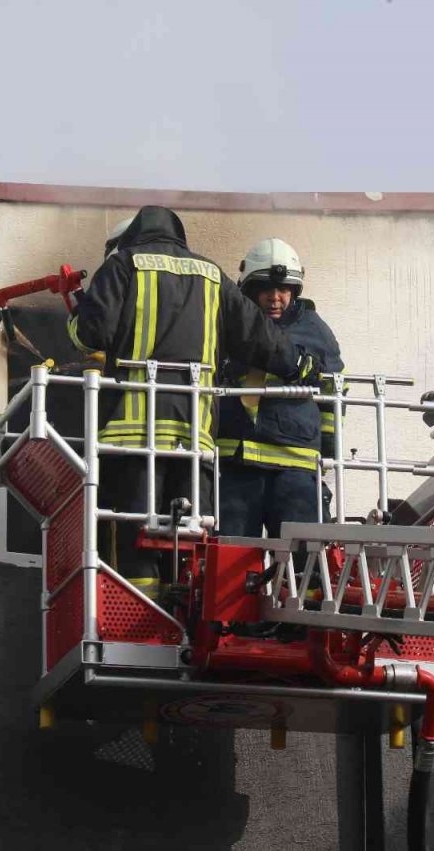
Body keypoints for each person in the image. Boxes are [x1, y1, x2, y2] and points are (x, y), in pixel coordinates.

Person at [68, 207, 319, 598]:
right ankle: (180, 616)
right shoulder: (211, 274)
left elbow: (90, 333)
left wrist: (76, 320)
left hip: (134, 438)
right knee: (186, 544)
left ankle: (139, 619)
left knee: (133, 536)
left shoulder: (124, 265)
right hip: (195, 441)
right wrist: (298, 365)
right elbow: (258, 336)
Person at [217, 238, 344, 538]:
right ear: (249, 289)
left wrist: (327, 450)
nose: (275, 298)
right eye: (266, 289)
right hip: (237, 460)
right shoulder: (227, 324)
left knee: (303, 559)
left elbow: (333, 393)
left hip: (295, 464)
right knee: (231, 560)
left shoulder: (315, 330)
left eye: (284, 289)